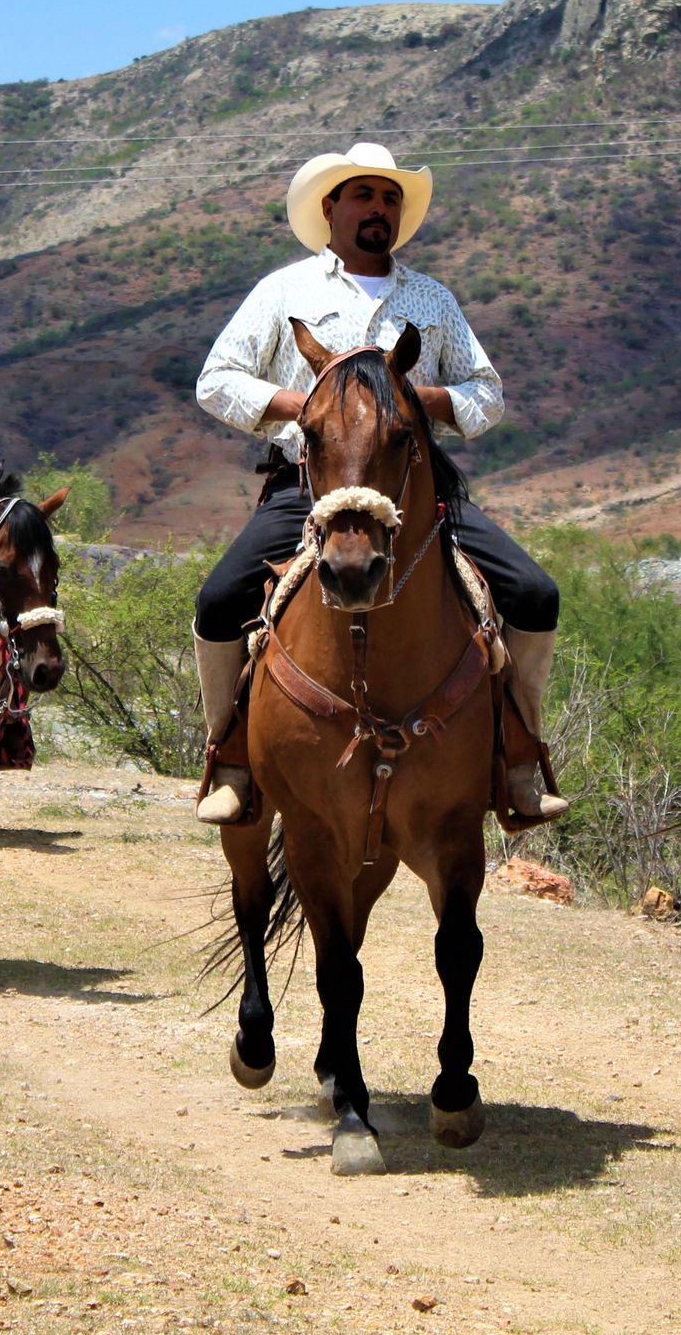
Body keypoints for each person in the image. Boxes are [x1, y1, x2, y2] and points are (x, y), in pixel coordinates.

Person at [192, 142, 565, 827]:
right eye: (364, 196)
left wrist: (418, 403)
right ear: (330, 208)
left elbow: (488, 394)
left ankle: (519, 758)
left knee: (535, 593)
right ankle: (232, 760)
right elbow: (215, 381)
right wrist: (306, 408)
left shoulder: (432, 299)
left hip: (416, 490)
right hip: (307, 488)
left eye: (390, 199)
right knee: (219, 601)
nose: (379, 210)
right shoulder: (284, 292)